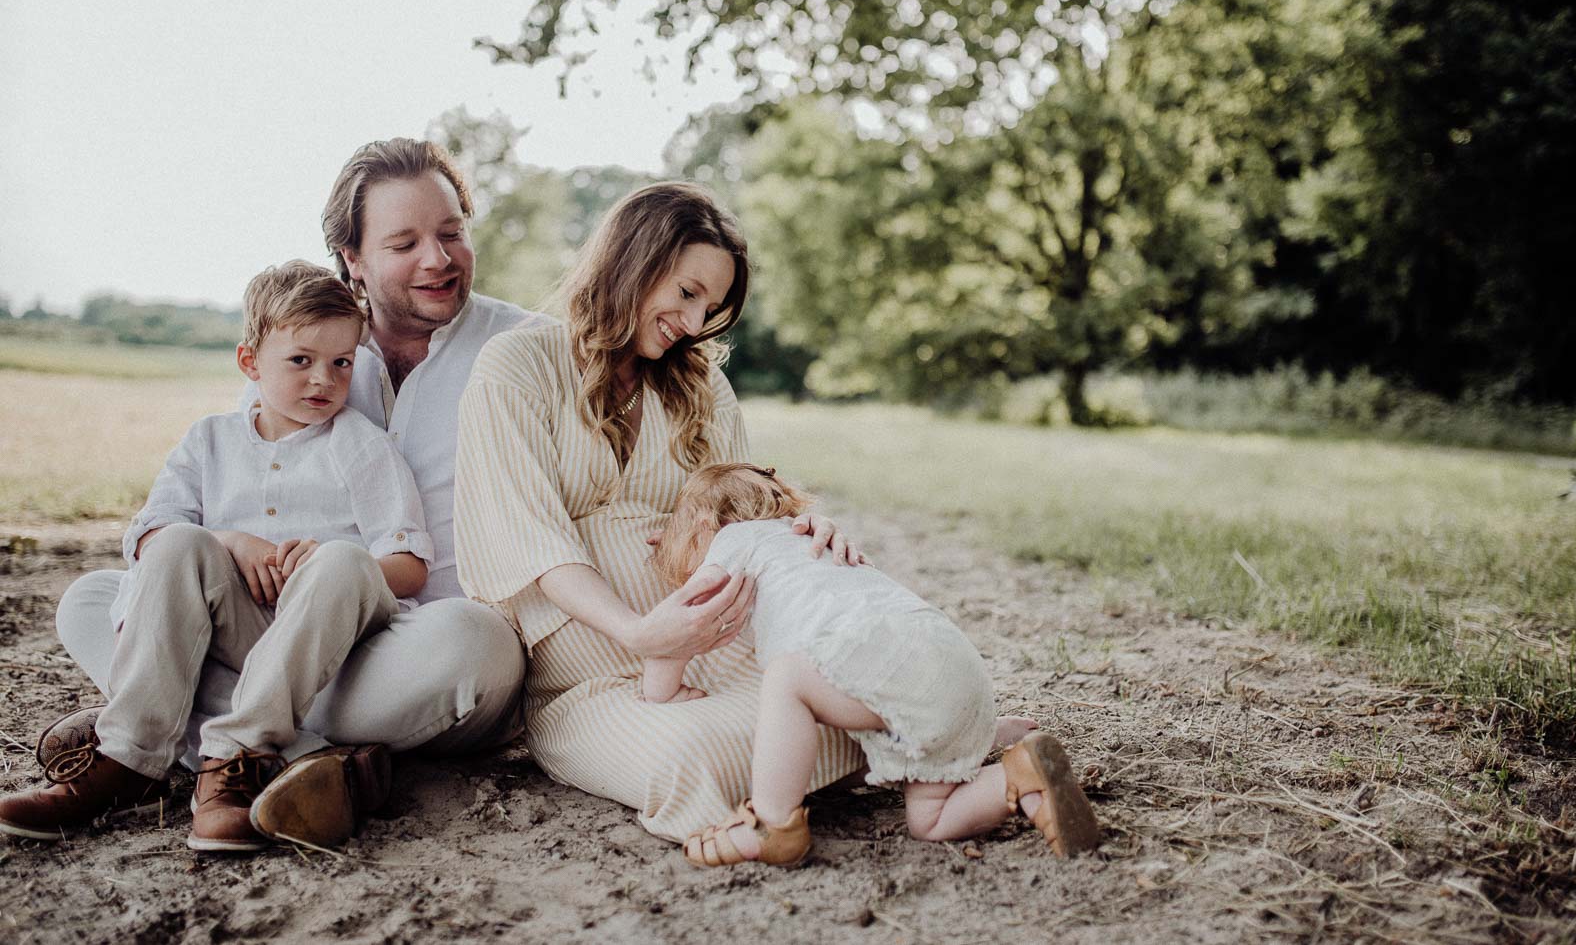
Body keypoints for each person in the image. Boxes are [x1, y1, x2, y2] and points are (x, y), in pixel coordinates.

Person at [49, 139, 534, 844]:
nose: (439, 257)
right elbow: (185, 523)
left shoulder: (525, 349)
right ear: (354, 258)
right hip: (264, 640)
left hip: (401, 657)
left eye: (453, 232)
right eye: (405, 242)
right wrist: (227, 544)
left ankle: (179, 730)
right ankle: (309, 761)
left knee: (480, 643)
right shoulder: (305, 357)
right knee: (91, 599)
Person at [454, 182, 869, 841]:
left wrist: (796, 531)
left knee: (868, 687)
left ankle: (981, 757)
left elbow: (744, 522)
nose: (697, 323)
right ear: (631, 260)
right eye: (687, 292)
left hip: (718, 647)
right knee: (686, 759)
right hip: (593, 680)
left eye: (713, 307)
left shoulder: (704, 389)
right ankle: (823, 773)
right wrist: (640, 632)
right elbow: (530, 541)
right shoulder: (518, 366)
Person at [0, 262, 431, 851]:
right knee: (179, 541)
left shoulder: (360, 446)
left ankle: (237, 756)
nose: (323, 380)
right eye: (300, 360)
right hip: (239, 630)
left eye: (341, 363)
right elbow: (148, 536)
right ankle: (130, 758)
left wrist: (325, 562)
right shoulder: (211, 439)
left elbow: (408, 566)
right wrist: (228, 540)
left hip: (326, 642)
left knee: (341, 560)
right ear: (250, 362)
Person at [645, 462, 1101, 867]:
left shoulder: (730, 539)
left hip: (892, 670)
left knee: (788, 677)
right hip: (952, 663)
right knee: (930, 821)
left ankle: (771, 824)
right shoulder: (808, 537)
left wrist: (661, 679)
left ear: (704, 524)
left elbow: (683, 616)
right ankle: (1017, 773)